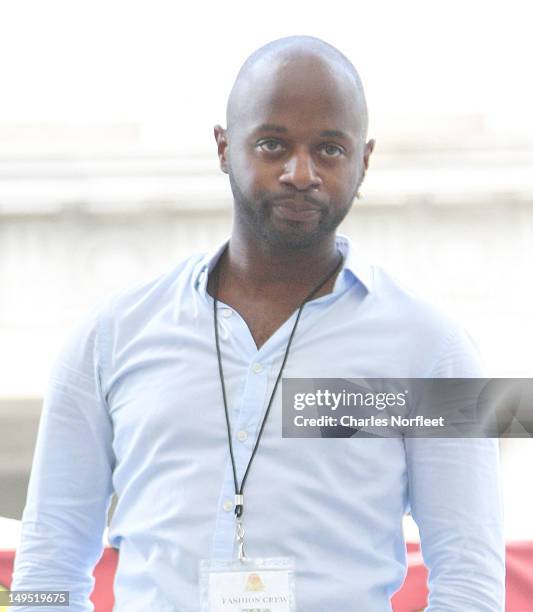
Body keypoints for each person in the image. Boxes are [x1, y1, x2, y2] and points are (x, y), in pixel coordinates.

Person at [9, 35, 504, 611]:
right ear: (223, 148)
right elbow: (48, 559)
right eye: (272, 144)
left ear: (364, 160)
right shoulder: (111, 336)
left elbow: (470, 580)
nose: (301, 173)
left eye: (330, 150)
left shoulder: (433, 352)